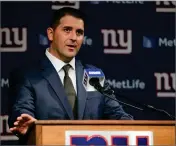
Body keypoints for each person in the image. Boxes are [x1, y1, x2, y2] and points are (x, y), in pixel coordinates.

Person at [8, 7, 133, 144]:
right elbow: (22, 111)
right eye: (67, 30)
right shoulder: (28, 76)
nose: (74, 38)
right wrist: (29, 125)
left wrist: (132, 126)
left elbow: (117, 115)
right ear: (51, 34)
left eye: (79, 32)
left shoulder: (92, 75)